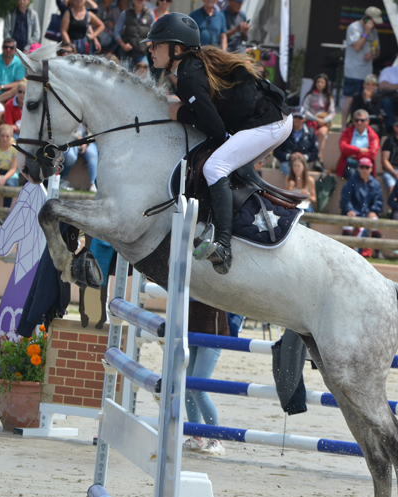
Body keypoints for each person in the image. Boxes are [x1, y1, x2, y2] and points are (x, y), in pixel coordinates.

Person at [149, 12, 291, 274]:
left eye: (156, 44)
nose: (151, 49)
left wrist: (179, 113)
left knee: (214, 167)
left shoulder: (189, 76)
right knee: (223, 159)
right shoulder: (189, 69)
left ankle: (224, 246)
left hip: (269, 123)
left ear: (177, 49)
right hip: (270, 118)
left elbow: (215, 129)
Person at [181, 301, 227, 455]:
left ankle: (216, 439)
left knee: (198, 389)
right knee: (188, 389)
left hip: (212, 331)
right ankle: (196, 437)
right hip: (192, 327)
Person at [341, 6, 381, 127]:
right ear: (366, 19)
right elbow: (357, 47)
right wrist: (366, 32)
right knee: (351, 98)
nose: (373, 25)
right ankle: (343, 126)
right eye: (373, 22)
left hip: (366, 71)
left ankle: (361, 123)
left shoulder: (374, 31)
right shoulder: (354, 28)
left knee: (365, 97)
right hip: (353, 70)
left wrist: (372, 54)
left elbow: (378, 51)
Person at [340, 156, 382, 256]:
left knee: (375, 222)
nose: (364, 170)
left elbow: (378, 201)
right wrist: (349, 209)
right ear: (359, 168)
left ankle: (378, 252)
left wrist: (373, 211)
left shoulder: (375, 184)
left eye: (366, 167)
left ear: (371, 169)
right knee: (348, 223)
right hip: (354, 212)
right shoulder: (351, 181)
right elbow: (346, 198)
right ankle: (344, 251)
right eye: (362, 167)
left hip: (368, 213)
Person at [300, 73, 335, 165]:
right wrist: (315, 119)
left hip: (323, 123)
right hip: (311, 122)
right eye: (318, 82)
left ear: (326, 84)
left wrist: (324, 120)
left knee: (322, 133)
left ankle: (319, 157)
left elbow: (332, 112)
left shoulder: (328, 98)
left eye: (322, 82)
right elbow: (305, 110)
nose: (320, 84)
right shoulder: (309, 96)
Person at [273, 107, 318, 175]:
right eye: (295, 117)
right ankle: (294, 182)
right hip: (286, 162)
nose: (297, 119)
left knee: (300, 168)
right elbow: (276, 151)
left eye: (300, 117)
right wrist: (289, 156)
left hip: (304, 163)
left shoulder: (310, 133)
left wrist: (303, 157)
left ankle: (294, 183)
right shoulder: (285, 132)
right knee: (287, 168)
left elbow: (315, 152)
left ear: (304, 119)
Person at [337, 108, 379, 178]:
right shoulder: (347, 132)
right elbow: (343, 148)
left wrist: (354, 155)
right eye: (356, 120)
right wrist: (359, 150)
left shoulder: (373, 135)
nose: (359, 122)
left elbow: (372, 154)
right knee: (353, 176)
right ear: (353, 121)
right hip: (349, 164)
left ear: (368, 121)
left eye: (362, 120)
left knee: (364, 175)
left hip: (366, 165)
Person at [0, 38, 26, 105]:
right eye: (6, 47)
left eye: (11, 47)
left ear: (14, 49)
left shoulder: (19, 62)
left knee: (19, 87)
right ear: (2, 48)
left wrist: (1, 87)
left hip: (11, 92)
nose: (8, 49)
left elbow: (18, 82)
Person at [60, 124, 99, 192]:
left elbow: (95, 128)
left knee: (92, 155)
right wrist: (76, 138)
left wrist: (86, 141)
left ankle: (94, 184)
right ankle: (63, 180)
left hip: (87, 138)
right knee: (70, 156)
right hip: (70, 138)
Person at [116, 0, 156, 66]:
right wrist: (123, 45)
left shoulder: (150, 14)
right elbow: (116, 32)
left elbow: (154, 33)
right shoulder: (125, 13)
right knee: (125, 74)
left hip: (142, 53)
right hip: (127, 53)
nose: (139, 1)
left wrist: (147, 44)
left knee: (145, 75)